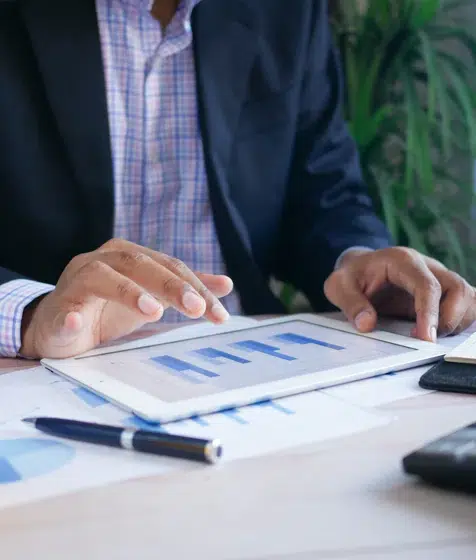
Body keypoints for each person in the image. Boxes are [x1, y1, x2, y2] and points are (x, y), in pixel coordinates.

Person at [0, 0, 474, 360]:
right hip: (52, 367)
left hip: (247, 355)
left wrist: (359, 259)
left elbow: (322, 189)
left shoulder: (286, 10)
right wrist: (31, 314)